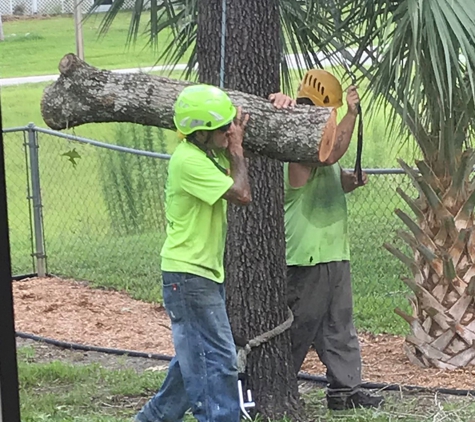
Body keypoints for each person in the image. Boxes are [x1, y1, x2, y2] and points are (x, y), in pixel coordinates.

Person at [134, 84, 251, 422]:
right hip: (190, 276)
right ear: (201, 131)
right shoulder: (189, 162)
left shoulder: (202, 155)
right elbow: (242, 194)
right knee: (219, 360)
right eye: (223, 126)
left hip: (198, 274)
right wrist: (238, 150)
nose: (230, 130)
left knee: (192, 360)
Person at [269, 69, 384, 411]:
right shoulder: (299, 150)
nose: (330, 118)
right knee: (299, 327)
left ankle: (344, 392)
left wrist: (351, 180)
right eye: (328, 111)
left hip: (334, 252)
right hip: (307, 257)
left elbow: (334, 173)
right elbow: (328, 156)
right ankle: (274, 386)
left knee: (340, 326)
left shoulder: (320, 143)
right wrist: (350, 114)